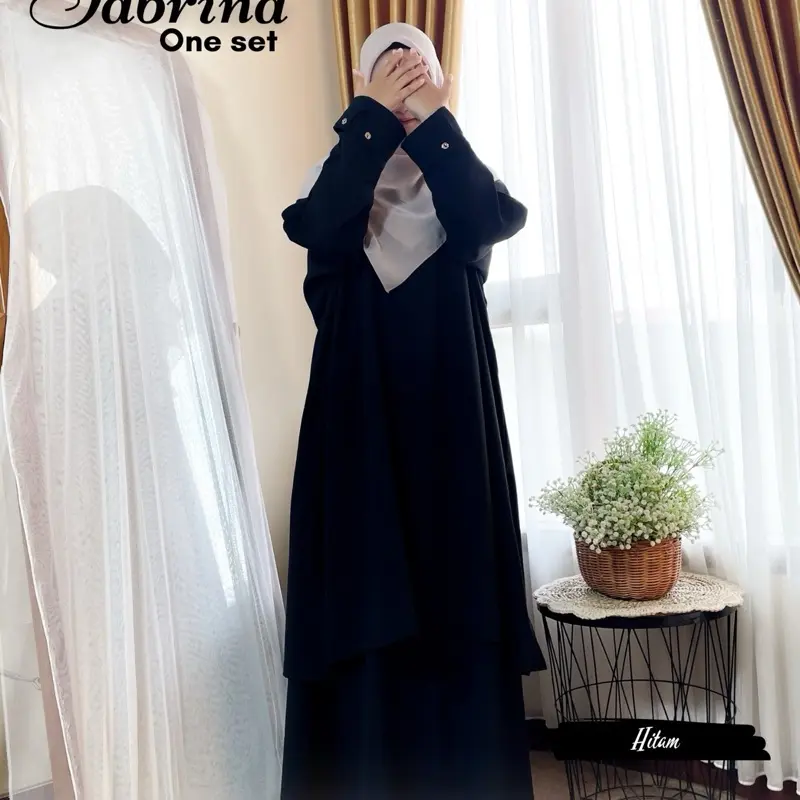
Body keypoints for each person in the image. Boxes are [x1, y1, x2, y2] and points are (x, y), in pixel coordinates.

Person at [280, 22, 546, 800]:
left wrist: (434, 119)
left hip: (454, 425)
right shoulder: (334, 179)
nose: (403, 83)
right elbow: (321, 227)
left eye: (418, 70)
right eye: (387, 72)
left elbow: (487, 219)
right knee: (366, 579)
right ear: (362, 87)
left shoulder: (460, 180)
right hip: (356, 423)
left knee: (456, 584)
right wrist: (369, 118)